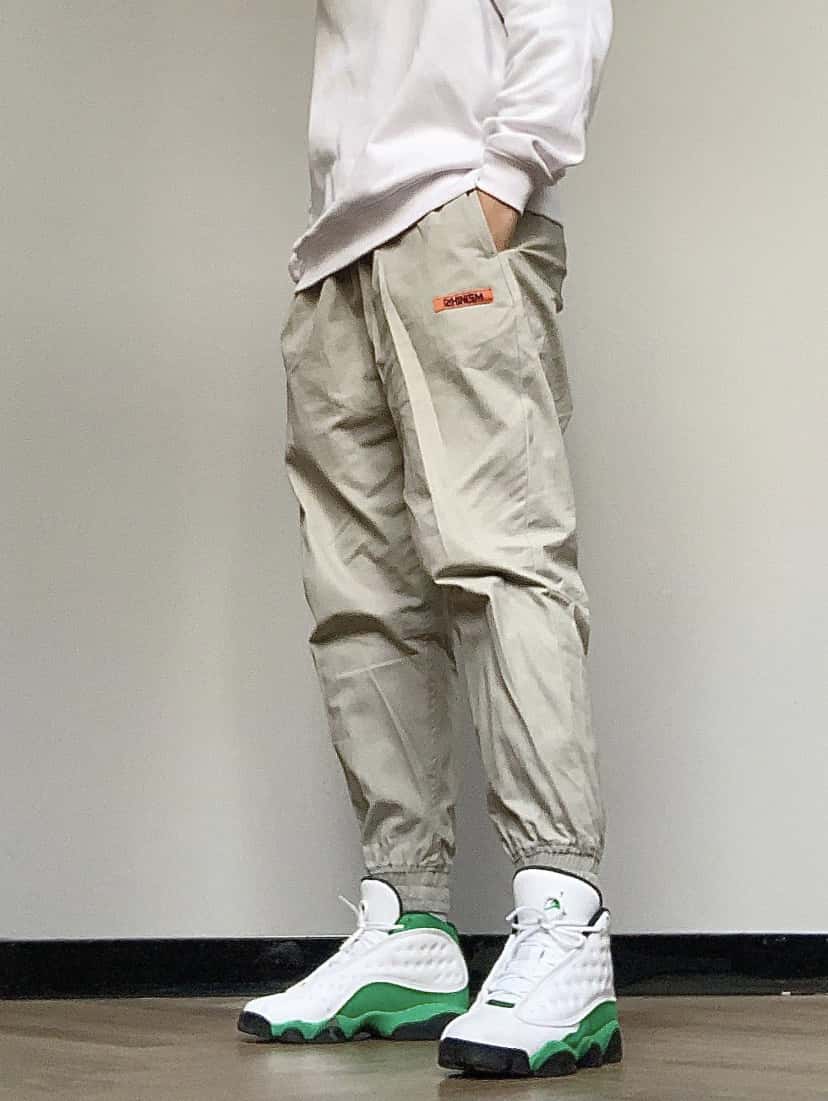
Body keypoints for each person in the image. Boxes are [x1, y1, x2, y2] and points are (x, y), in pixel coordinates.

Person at [238, 0, 619, 1078]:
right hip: (335, 250)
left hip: (455, 214)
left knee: (501, 557)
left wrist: (507, 179)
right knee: (358, 602)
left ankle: (565, 916)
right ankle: (406, 920)